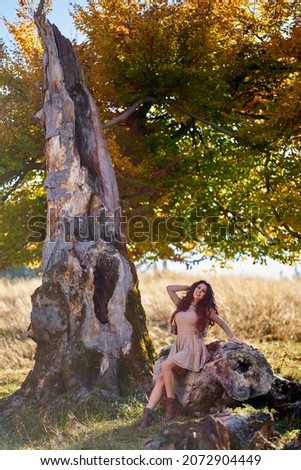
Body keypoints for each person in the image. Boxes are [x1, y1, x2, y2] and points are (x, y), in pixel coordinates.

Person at [137, 280, 244, 429]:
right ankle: (147, 415)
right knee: (162, 377)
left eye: (203, 291)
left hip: (193, 348)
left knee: (166, 364)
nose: (199, 291)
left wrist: (233, 338)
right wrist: (190, 287)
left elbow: (222, 322)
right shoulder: (182, 304)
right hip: (180, 347)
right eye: (198, 288)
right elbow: (170, 288)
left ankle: (171, 404)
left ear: (206, 296)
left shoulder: (206, 309)